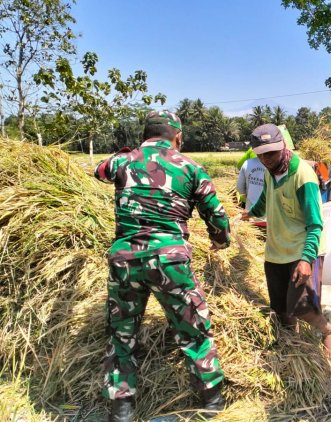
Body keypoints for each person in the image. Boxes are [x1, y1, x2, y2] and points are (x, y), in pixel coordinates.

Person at [94, 111, 229, 422]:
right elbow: (216, 215)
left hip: (125, 259)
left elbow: (99, 171)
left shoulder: (123, 161)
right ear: (177, 136)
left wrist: (127, 153)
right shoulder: (190, 166)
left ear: (145, 134)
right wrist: (221, 241)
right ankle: (212, 400)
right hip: (170, 260)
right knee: (193, 329)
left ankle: (122, 408)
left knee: (122, 333)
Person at [244, 123, 331, 358]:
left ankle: (328, 331)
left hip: (301, 250)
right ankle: (293, 353)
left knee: (301, 306)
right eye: (261, 154)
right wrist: (251, 213)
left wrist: (307, 259)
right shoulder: (269, 171)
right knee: (282, 308)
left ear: (283, 146)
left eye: (272, 153)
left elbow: (315, 224)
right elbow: (266, 198)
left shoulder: (302, 176)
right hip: (276, 250)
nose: (266, 159)